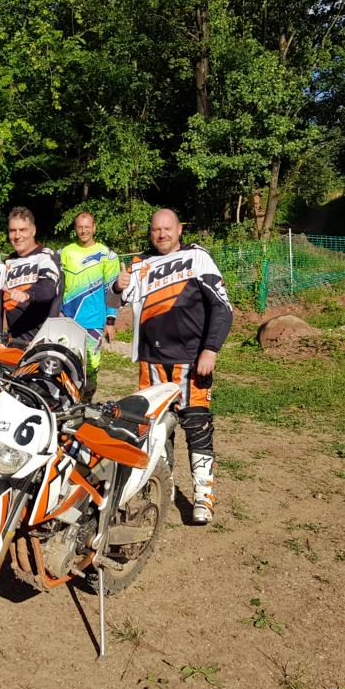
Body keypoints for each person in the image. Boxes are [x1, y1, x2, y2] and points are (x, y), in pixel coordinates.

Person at [110, 208, 233, 524]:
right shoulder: (140, 263)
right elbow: (113, 303)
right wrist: (117, 286)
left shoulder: (197, 257)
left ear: (179, 229)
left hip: (190, 359)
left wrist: (211, 349)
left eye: (167, 228)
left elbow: (222, 306)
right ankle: (162, 490)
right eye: (156, 229)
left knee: (197, 425)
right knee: (155, 430)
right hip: (150, 360)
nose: (161, 234)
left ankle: (203, 497)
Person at [59, 211, 121, 401]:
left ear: (94, 227)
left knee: (91, 369)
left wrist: (110, 321)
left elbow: (112, 291)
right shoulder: (64, 253)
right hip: (68, 321)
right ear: (75, 228)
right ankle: (67, 405)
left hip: (94, 322)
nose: (83, 230)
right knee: (65, 365)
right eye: (80, 227)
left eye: (87, 227)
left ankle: (86, 404)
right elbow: (58, 286)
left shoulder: (108, 255)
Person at [4, 206, 63, 345]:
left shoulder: (46, 256)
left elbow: (48, 288)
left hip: (42, 344)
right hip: (14, 342)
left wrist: (28, 294)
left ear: (33, 230)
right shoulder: (7, 262)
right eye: (12, 230)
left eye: (23, 230)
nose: (17, 236)